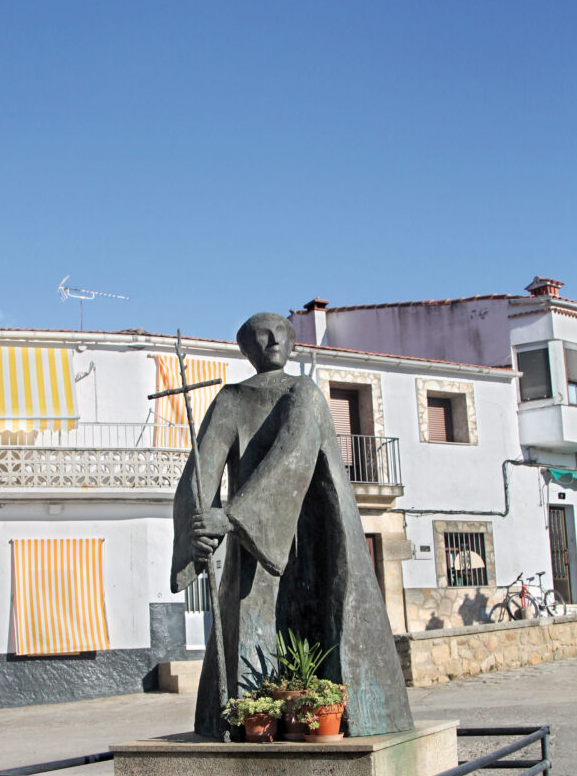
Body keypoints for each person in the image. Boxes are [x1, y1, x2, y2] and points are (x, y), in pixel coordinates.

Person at [171, 312, 413, 739]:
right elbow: (200, 469)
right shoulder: (229, 400)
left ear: (293, 343)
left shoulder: (305, 393)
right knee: (248, 614)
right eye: (260, 336)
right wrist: (198, 525)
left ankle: (337, 717)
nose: (272, 341)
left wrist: (229, 516)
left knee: (334, 609)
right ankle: (250, 722)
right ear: (245, 349)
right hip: (253, 532)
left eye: (281, 333)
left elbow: (294, 453)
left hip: (317, 527)